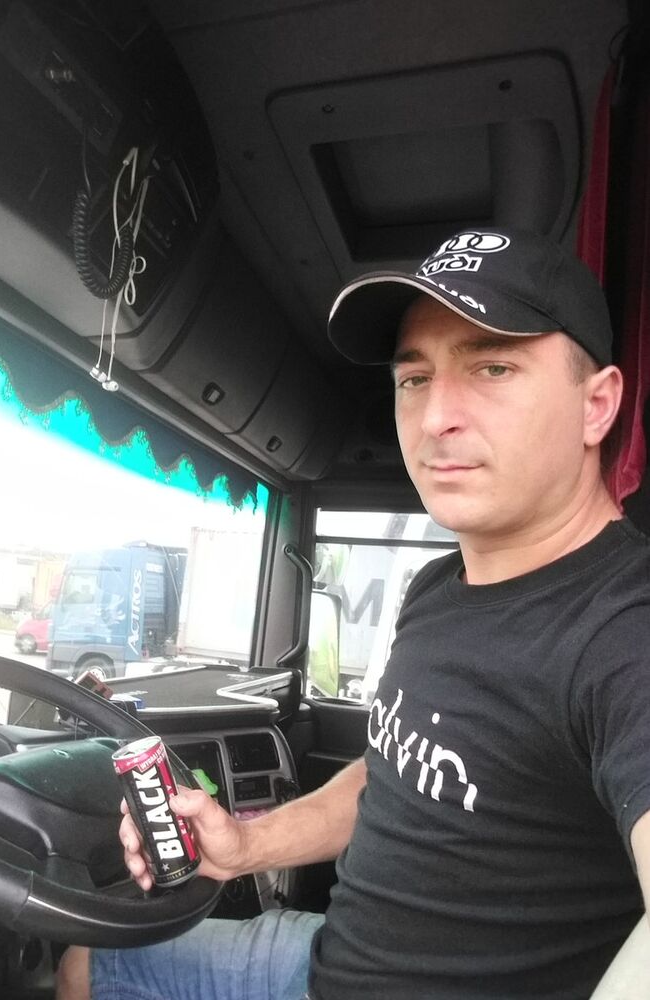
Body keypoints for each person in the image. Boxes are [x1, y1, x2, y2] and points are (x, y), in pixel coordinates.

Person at [56, 227, 650, 1000]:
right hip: (327, 959)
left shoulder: (624, 627)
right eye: (415, 378)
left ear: (597, 405)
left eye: (493, 367)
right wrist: (243, 846)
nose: (435, 417)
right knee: (88, 962)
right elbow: (388, 775)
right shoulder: (436, 588)